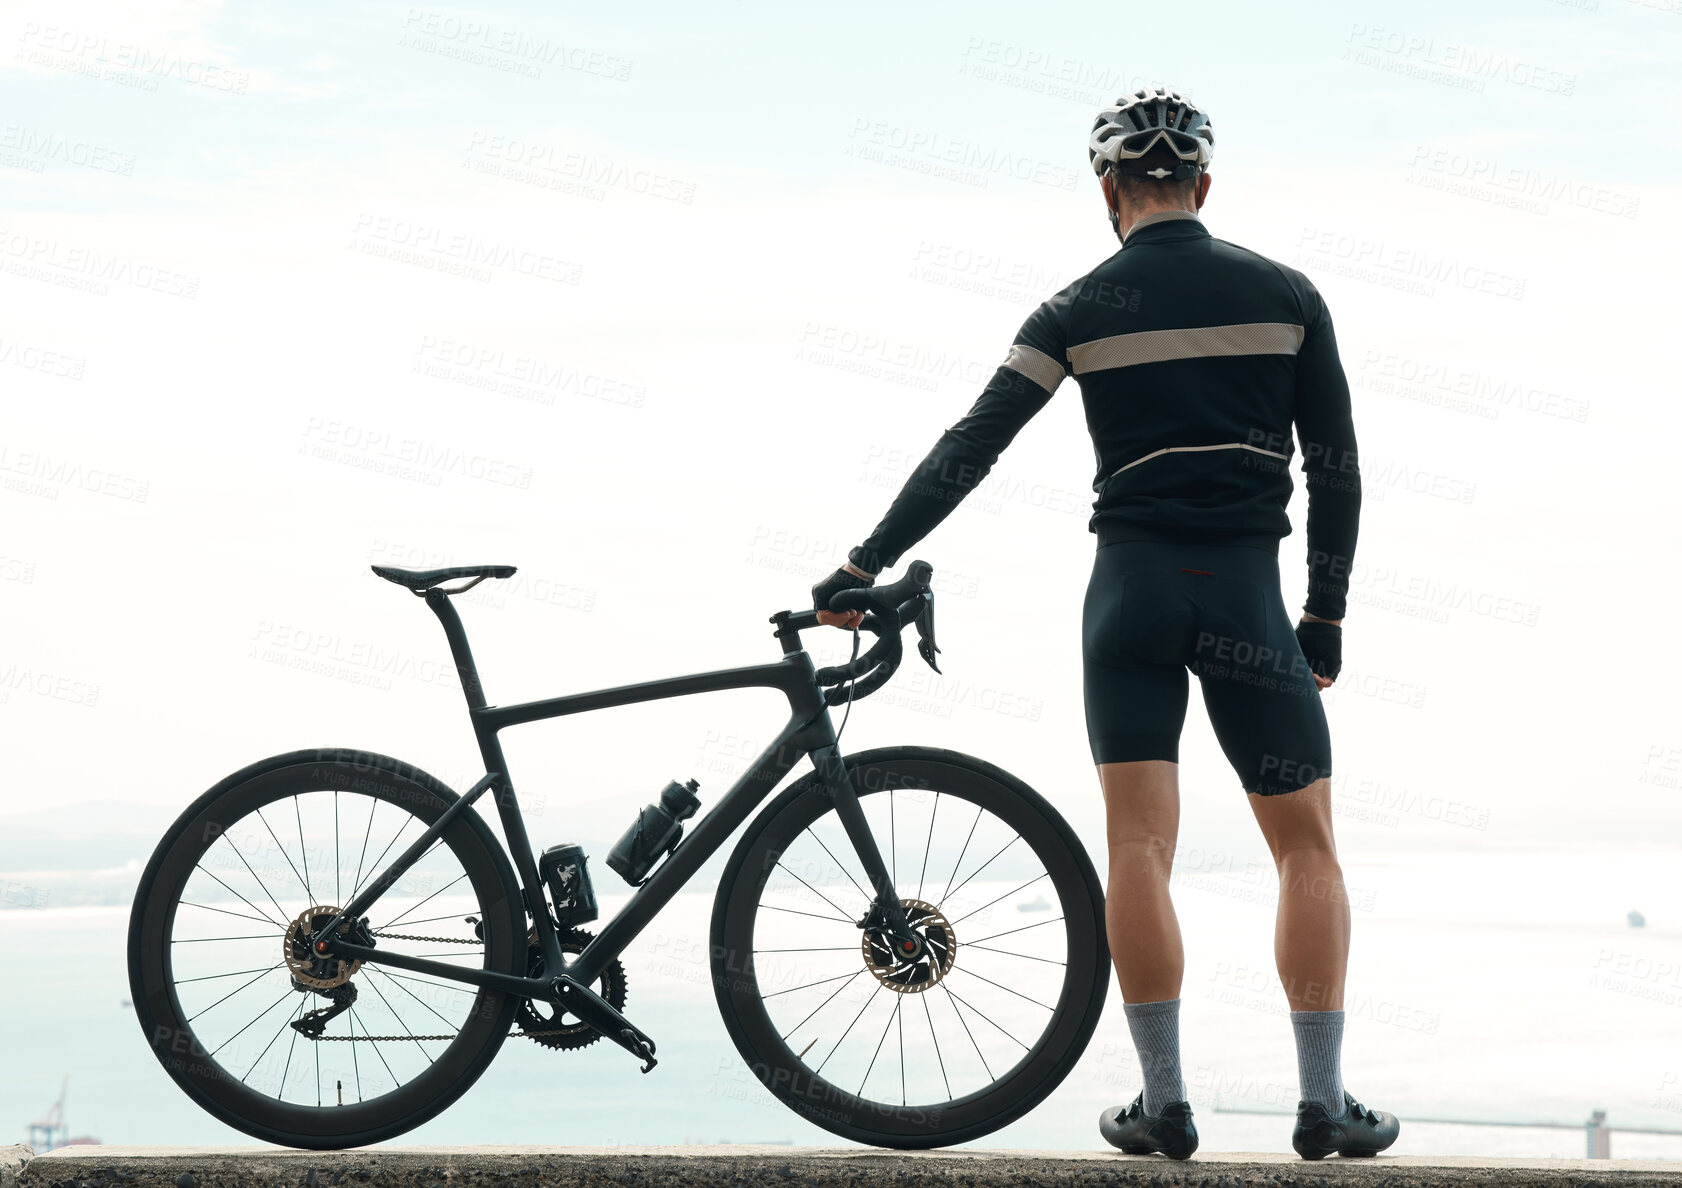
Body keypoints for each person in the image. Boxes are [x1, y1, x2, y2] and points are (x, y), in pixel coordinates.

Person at [810, 88, 1400, 1161]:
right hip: (1244, 594)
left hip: (1126, 593)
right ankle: (1322, 1103)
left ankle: (1161, 1103)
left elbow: (969, 445)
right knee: (1304, 847)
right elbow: (1339, 469)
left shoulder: (1075, 308)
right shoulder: (1286, 295)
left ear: (1107, 193)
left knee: (1137, 844)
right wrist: (1323, 613)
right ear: (1203, 187)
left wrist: (864, 560)